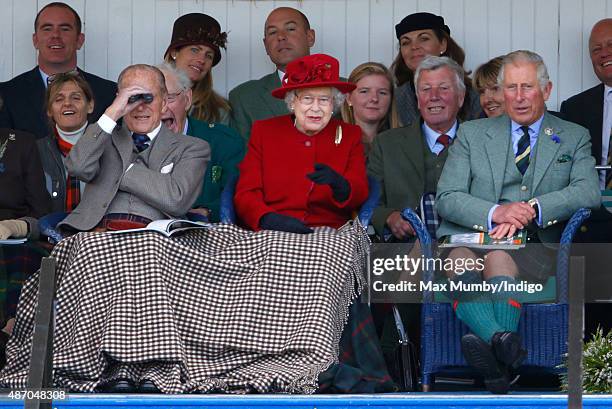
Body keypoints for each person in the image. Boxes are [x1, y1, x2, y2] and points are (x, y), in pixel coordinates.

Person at [435, 50, 600, 393]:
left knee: (499, 259)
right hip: (475, 237)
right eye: (511, 88)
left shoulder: (573, 135)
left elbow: (588, 192)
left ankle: (494, 353)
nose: (519, 96)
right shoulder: (474, 133)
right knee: (459, 259)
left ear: (547, 90)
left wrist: (534, 207)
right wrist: (497, 212)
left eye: (528, 87)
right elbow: (447, 196)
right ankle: (503, 349)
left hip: (535, 247)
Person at [57, 64, 210, 233]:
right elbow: (77, 167)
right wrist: (113, 112)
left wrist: (124, 171)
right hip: (97, 235)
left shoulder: (192, 147)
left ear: (164, 103)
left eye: (148, 98)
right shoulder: (102, 136)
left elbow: (176, 201)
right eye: (132, 98)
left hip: (156, 241)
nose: (140, 107)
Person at [234, 53, 367, 232]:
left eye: (324, 100)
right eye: (307, 99)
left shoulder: (349, 135)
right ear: (292, 102)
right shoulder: (265, 131)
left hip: (329, 233)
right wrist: (268, 219)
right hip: (270, 231)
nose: (315, 108)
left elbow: (360, 191)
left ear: (334, 103)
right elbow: (246, 192)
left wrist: (340, 185)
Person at [368, 56, 465, 241]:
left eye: (443, 88)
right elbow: (369, 200)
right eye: (426, 89)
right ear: (418, 100)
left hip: (466, 249)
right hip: (404, 252)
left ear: (460, 97)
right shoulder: (387, 144)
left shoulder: (480, 142)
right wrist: (389, 217)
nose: (434, 96)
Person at [559, 18, 612, 337]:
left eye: (610, 44)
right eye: (596, 48)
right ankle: (594, 363)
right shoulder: (575, 107)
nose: (604, 53)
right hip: (592, 218)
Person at [0, 2, 116, 140]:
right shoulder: (6, 94)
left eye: (65, 29)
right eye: (47, 29)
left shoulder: (109, 93)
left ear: (80, 40)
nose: (55, 35)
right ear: (35, 40)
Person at [0, 96, 52, 368]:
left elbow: (42, 211)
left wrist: (16, 226)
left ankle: (12, 330)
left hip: (14, 235)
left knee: (23, 257)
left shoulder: (21, 143)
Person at [158, 62, 244, 222]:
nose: (162, 109)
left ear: (187, 99)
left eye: (169, 98)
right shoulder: (132, 144)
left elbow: (242, 194)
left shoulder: (223, 141)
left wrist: (208, 211)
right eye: (153, 99)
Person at [228, 7, 315, 141]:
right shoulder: (244, 97)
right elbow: (241, 158)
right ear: (266, 45)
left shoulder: (344, 90)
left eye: (290, 29)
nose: (280, 37)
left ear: (310, 37)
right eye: (273, 32)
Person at [391, 12, 481, 126]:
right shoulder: (395, 98)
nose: (414, 46)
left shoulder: (475, 96)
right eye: (406, 42)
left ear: (443, 44)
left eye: (424, 39)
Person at [37, 72, 94, 214]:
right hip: (50, 232)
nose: (67, 104)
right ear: (49, 110)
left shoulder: (108, 146)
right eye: (58, 99)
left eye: (76, 98)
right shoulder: (35, 151)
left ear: (90, 106)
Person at [164, 13, 230, 125]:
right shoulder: (147, 93)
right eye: (194, 50)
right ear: (174, 52)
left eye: (209, 55)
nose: (202, 60)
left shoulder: (218, 110)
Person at [341, 62, 399, 156]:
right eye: (364, 91)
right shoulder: (333, 141)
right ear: (349, 98)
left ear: (391, 99)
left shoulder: (402, 143)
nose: (374, 99)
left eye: (382, 93)